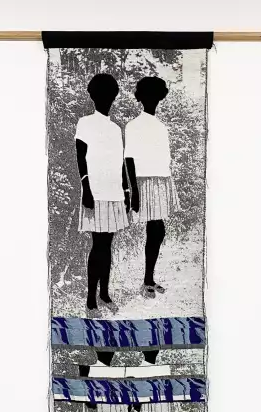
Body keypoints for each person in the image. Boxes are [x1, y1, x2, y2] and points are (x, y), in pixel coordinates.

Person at [75, 73, 130, 317]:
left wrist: (126, 191)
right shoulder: (85, 123)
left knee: (107, 245)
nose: (106, 99)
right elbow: (81, 157)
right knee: (98, 245)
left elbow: (120, 162)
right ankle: (90, 301)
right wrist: (85, 187)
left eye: (110, 95)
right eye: (101, 95)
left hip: (114, 192)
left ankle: (104, 294)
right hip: (95, 192)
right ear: (94, 97)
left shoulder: (116, 129)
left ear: (113, 97)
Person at [124, 76, 181, 299]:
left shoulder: (161, 127)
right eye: (148, 96)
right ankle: (147, 281)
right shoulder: (133, 125)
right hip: (145, 181)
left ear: (160, 98)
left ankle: (149, 279)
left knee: (158, 229)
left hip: (161, 180)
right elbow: (129, 158)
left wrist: (167, 182)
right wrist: (134, 190)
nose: (152, 100)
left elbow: (164, 157)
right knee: (155, 229)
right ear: (141, 98)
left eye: (156, 96)